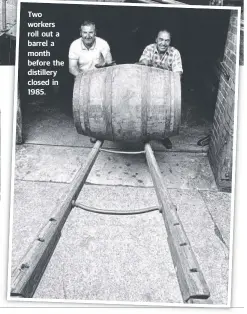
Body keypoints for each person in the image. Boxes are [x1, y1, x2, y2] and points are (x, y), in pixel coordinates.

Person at [139, 29, 183, 149]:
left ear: (170, 42)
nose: (163, 43)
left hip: (166, 89)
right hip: (149, 86)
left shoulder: (175, 53)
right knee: (145, 109)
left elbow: (177, 74)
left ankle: (164, 136)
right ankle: (145, 135)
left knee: (165, 113)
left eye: (167, 40)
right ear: (156, 40)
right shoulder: (149, 49)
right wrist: (145, 64)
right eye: (161, 40)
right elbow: (143, 63)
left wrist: (165, 78)